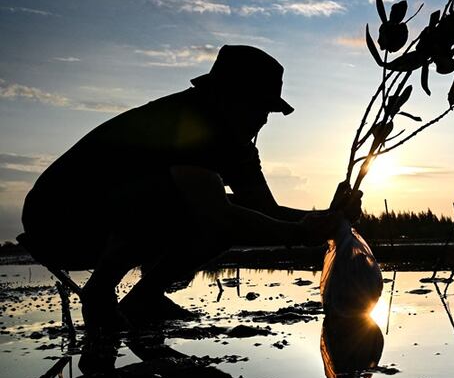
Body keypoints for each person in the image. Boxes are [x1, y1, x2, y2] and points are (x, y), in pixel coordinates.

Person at [20, 45, 358, 331]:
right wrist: (297, 233)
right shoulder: (188, 118)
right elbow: (216, 213)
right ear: (227, 97)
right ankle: (100, 293)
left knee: (223, 212)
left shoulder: (238, 144)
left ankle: (144, 299)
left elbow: (263, 211)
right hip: (58, 222)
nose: (265, 119)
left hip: (111, 220)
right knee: (199, 203)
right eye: (259, 107)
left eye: (268, 109)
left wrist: (328, 219)